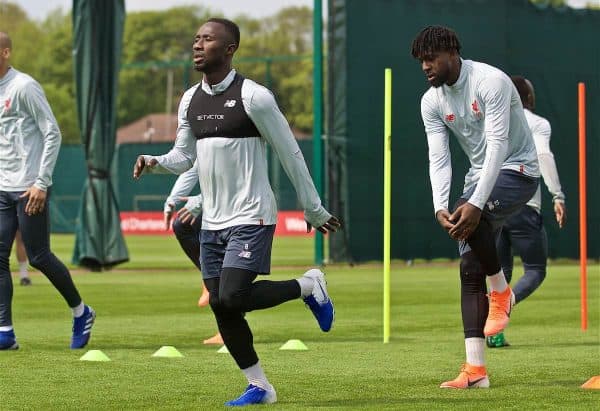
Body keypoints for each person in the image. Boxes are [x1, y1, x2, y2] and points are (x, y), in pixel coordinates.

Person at [133, 18, 340, 406]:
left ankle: (310, 285)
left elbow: (290, 153)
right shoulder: (190, 99)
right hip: (213, 220)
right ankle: (260, 386)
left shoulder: (255, 97)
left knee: (231, 297)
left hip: (252, 216)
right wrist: (154, 160)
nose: (197, 45)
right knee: (220, 304)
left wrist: (313, 209)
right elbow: (184, 157)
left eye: (207, 40)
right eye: (195, 39)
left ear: (229, 49)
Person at [411, 26, 540, 388]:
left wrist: (475, 203)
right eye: (421, 60)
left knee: (472, 216)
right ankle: (475, 371)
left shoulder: (491, 81)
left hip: (518, 169)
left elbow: (498, 146)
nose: (425, 66)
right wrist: (440, 206)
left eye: (431, 57)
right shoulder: (431, 101)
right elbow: (439, 158)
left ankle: (501, 290)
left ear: (452, 52)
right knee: (469, 267)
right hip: (478, 179)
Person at [0, 32, 95, 350]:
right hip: (2, 187)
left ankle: (81, 312)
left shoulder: (24, 86)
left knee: (39, 256)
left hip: (30, 187)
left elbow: (52, 131)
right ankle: (5, 332)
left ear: (6, 52)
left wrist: (42, 182)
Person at [487, 76, 567, 348]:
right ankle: (505, 304)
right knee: (535, 270)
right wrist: (558, 194)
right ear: (530, 99)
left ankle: (494, 332)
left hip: (493, 202)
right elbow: (544, 156)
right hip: (523, 203)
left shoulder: (495, 121)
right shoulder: (537, 123)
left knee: (501, 272)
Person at [163, 164, 223, 345]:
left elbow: (230, 177)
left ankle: (303, 288)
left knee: (228, 278)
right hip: (218, 201)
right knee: (182, 225)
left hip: (245, 203)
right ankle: (208, 275)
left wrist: (198, 202)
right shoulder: (201, 138)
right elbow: (192, 168)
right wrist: (171, 201)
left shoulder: (230, 139)